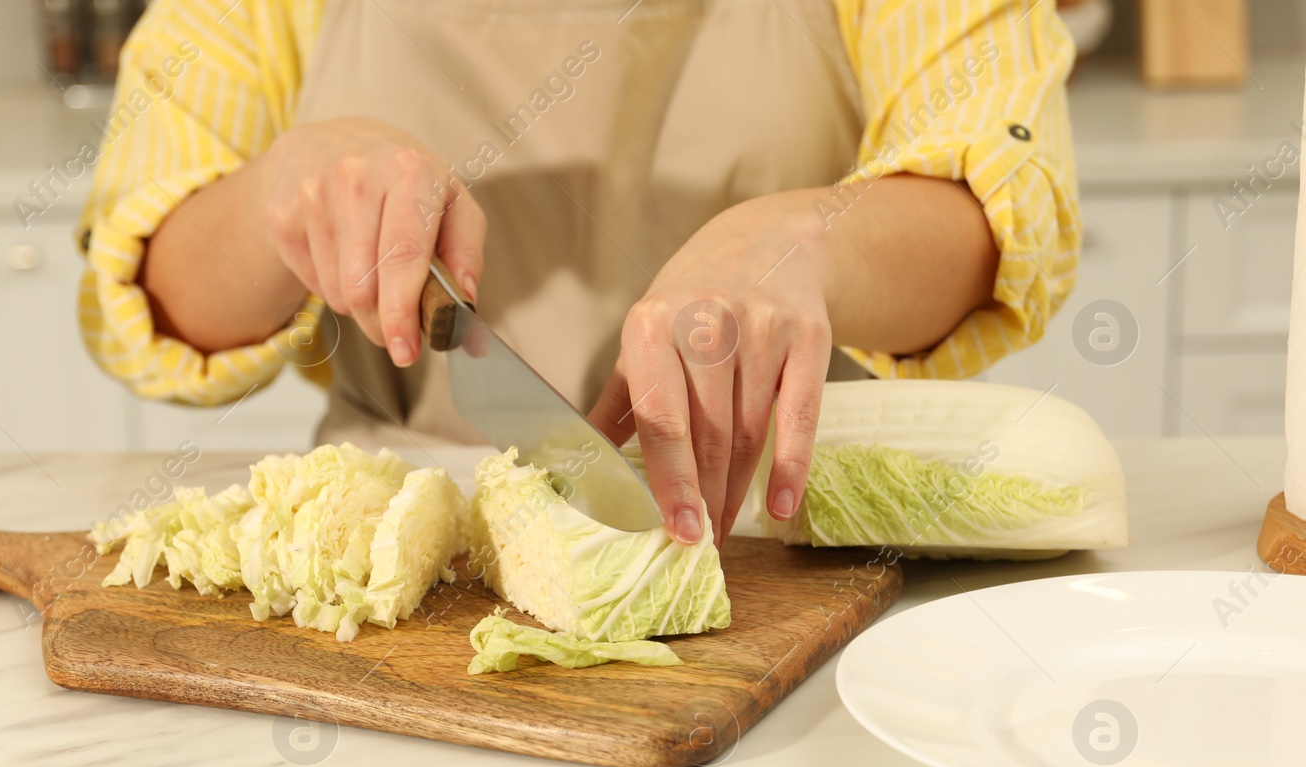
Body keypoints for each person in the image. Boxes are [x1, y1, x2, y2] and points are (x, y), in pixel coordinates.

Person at [76, 0, 1078, 547]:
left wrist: (810, 242)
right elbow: (154, 302)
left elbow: (1003, 213)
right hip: (415, 539)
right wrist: (274, 198)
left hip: (787, 537)